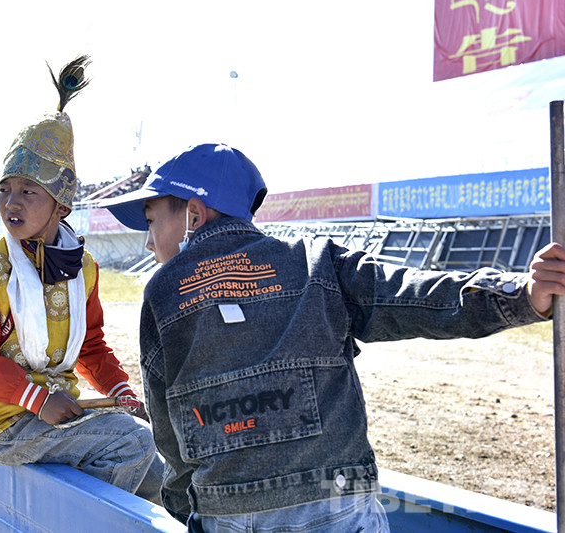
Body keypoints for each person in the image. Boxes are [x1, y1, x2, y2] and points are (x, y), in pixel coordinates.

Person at [101, 143, 565, 532]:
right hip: (334, 494)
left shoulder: (162, 292)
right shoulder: (316, 261)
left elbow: (168, 430)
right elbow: (414, 295)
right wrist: (522, 294)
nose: (149, 242)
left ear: (194, 214)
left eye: (151, 221)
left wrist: (194, 504)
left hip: (228, 509)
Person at [0, 56, 163, 503]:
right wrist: (37, 399)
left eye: (28, 191)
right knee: (132, 444)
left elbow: (91, 347)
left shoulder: (84, 268)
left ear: (61, 206)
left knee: (161, 473)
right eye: (5, 189)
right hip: (8, 425)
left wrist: (120, 390)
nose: (11, 202)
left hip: (61, 413)